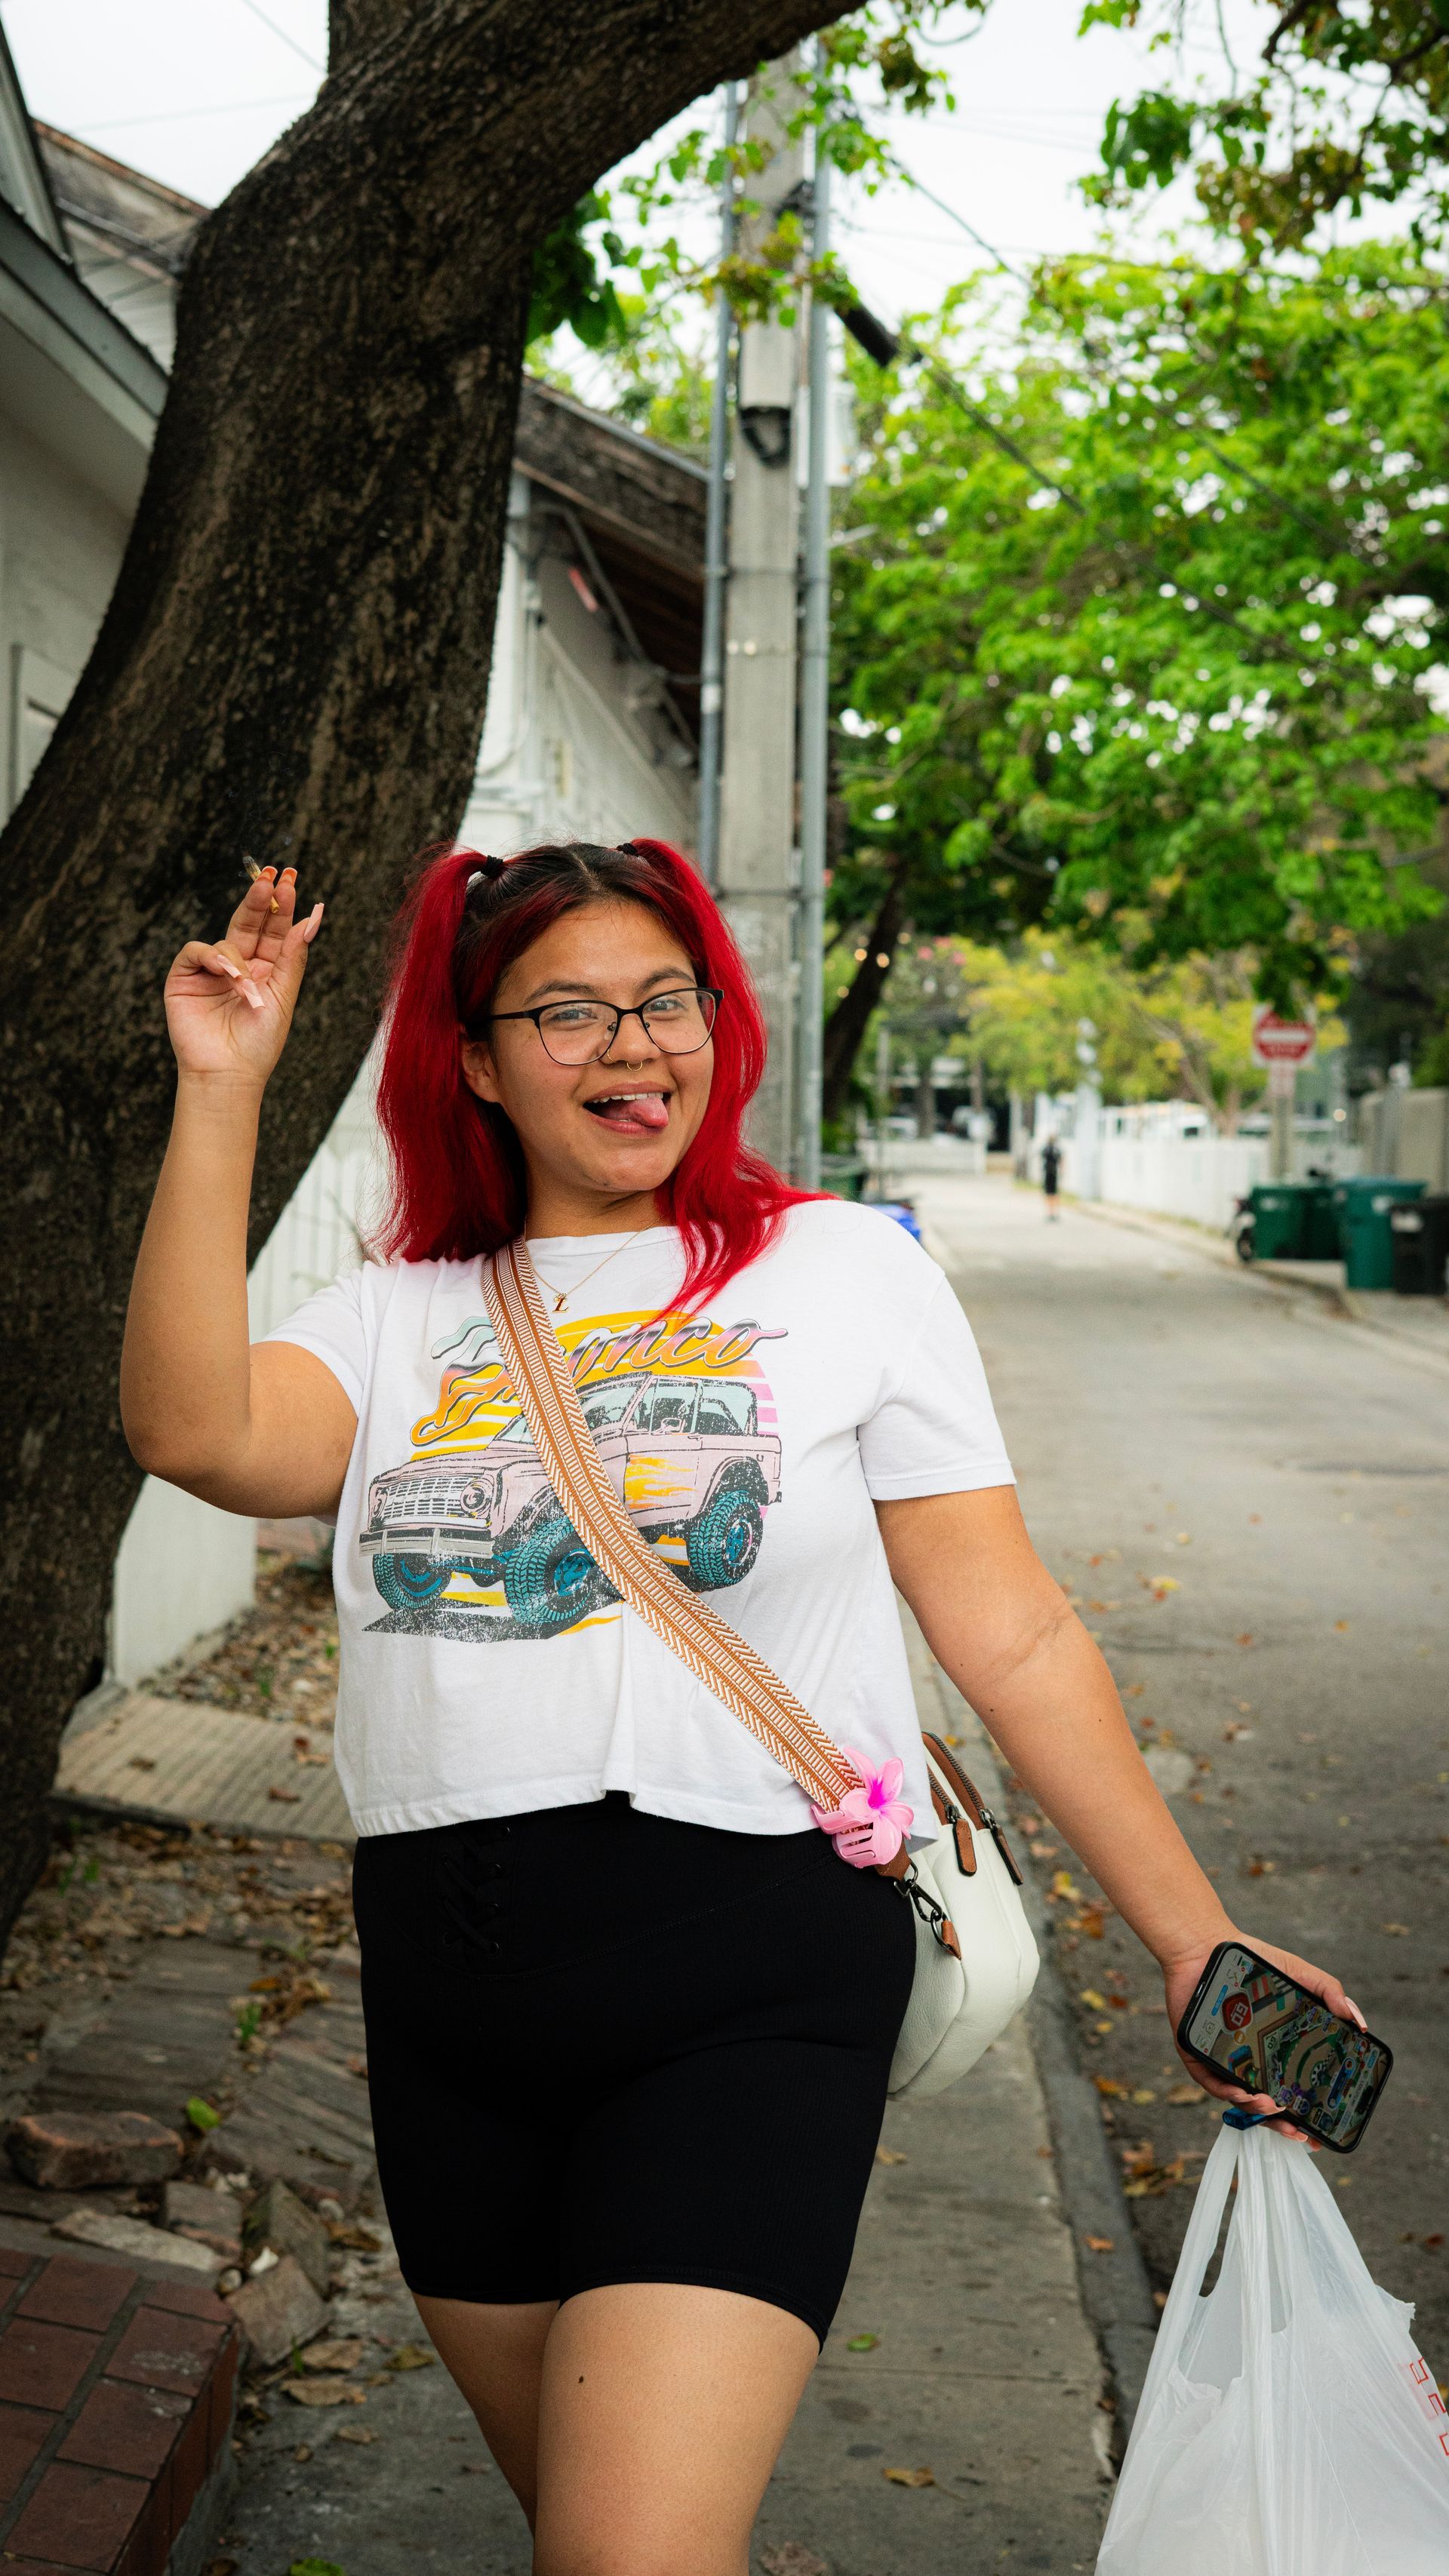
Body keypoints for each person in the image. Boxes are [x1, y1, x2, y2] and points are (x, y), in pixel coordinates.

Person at [121, 838, 1358, 2576]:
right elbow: (190, 1430)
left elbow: (1007, 1628)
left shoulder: (842, 1270)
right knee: (607, 2531)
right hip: (450, 2004)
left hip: (748, 1978)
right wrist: (221, 1088)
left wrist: (1189, 1939)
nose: (631, 1046)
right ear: (473, 1055)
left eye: (664, 998)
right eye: (566, 1011)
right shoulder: (396, 1316)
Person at [1041, 1133, 1062, 1219]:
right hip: (1054, 1172)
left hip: (1048, 1172)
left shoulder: (1046, 1149)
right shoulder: (1057, 1150)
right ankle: (1053, 1212)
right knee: (1054, 1193)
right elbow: (1061, 1160)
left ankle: (1050, 1212)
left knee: (1049, 1193)